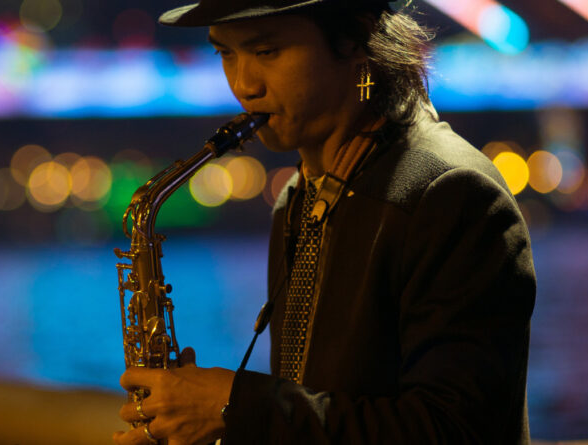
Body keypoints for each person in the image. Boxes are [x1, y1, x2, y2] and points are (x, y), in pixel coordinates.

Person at [112, 0, 537, 444]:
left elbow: (456, 430)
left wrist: (236, 407)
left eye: (266, 52)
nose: (243, 85)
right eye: (226, 54)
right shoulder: (299, 195)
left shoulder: (452, 194)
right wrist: (210, 424)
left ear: (355, 37)